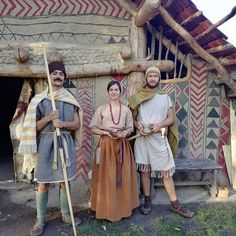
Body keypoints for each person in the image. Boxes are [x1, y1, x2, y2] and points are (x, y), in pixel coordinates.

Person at [19, 61, 83, 236]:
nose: (58, 76)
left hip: (64, 141)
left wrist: (63, 123)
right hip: (46, 144)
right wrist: (48, 118)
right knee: (43, 183)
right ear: (49, 77)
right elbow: (33, 127)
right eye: (54, 73)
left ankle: (66, 215)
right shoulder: (39, 100)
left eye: (61, 74)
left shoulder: (70, 98)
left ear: (64, 77)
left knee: (65, 181)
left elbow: (77, 123)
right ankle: (40, 220)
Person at [128, 66, 193, 218]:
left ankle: (175, 204)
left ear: (158, 79)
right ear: (146, 78)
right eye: (150, 76)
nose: (152, 78)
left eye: (155, 76)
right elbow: (132, 117)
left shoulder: (165, 97)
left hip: (158, 138)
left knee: (166, 172)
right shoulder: (139, 96)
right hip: (142, 139)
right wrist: (138, 126)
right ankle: (147, 200)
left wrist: (159, 125)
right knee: (144, 170)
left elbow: (171, 118)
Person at [89, 80, 139, 222]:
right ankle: (105, 209)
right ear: (108, 92)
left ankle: (122, 209)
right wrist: (106, 133)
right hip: (106, 146)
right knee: (106, 176)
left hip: (122, 146)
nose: (114, 92)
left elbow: (130, 128)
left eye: (116, 89)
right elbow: (92, 127)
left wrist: (125, 134)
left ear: (120, 92)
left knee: (122, 177)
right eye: (111, 89)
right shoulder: (102, 109)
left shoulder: (126, 110)